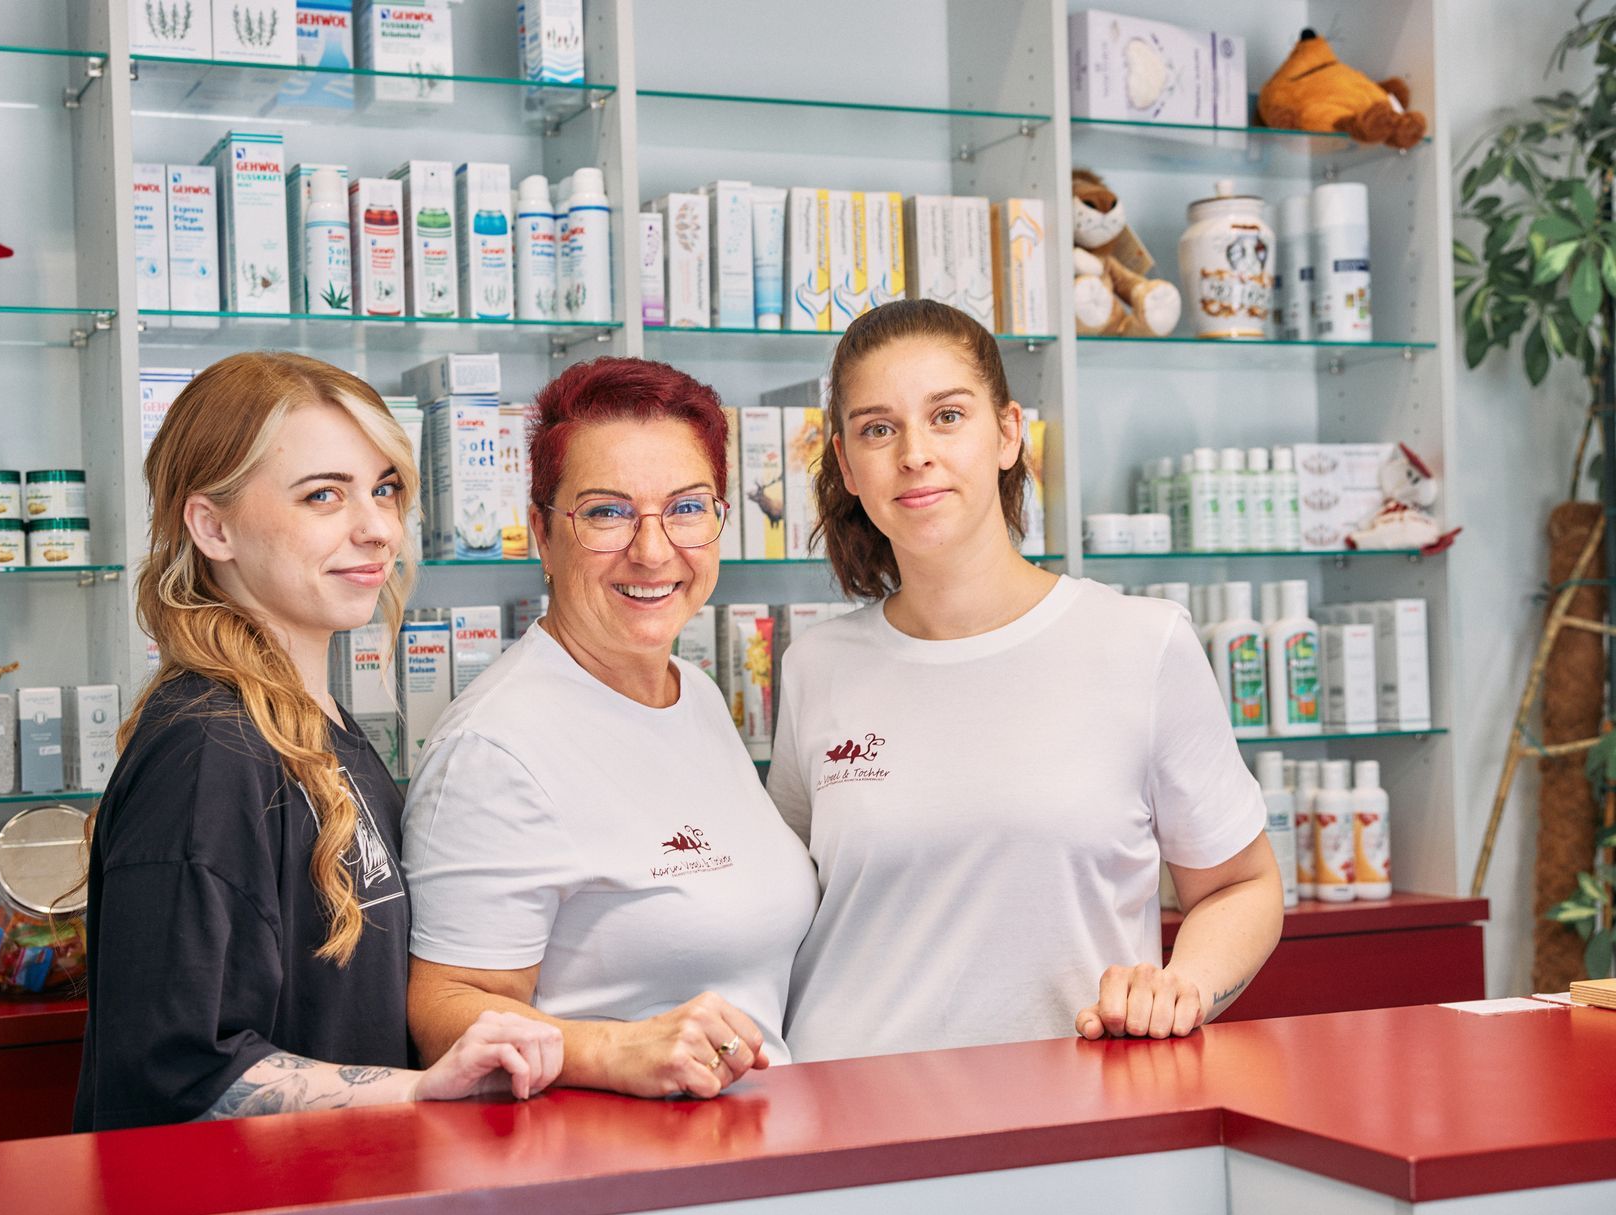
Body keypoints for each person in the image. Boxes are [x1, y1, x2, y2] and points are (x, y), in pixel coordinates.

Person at [769, 300, 1284, 1062]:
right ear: (846, 464)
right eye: (879, 429)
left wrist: (1185, 986)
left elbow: (1243, 884)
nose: (915, 453)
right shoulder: (816, 665)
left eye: (947, 416)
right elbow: (779, 908)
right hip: (842, 1099)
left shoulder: (1142, 644)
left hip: (1072, 1101)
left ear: (1009, 433)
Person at [73, 351, 560, 1131]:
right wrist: (418, 1091)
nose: (376, 529)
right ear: (213, 526)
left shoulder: (322, 727)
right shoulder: (208, 751)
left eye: (384, 489)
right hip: (259, 1209)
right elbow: (172, 1075)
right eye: (323, 495)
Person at [402, 357, 819, 1099]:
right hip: (612, 1159)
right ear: (542, 533)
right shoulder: (495, 748)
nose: (652, 551)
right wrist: (615, 1048)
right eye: (606, 513)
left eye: (686, 507)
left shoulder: (693, 692)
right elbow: (445, 1009)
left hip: (754, 1141)